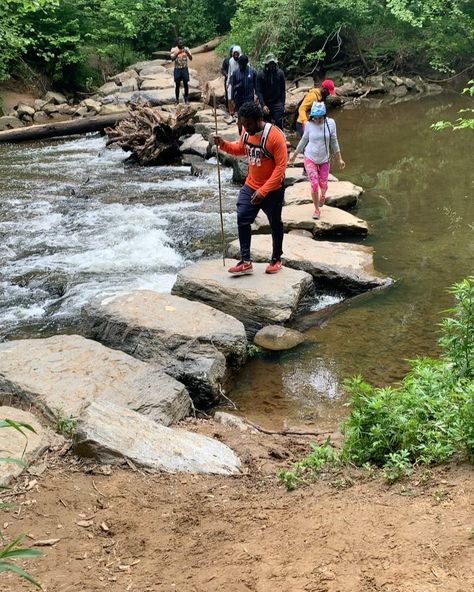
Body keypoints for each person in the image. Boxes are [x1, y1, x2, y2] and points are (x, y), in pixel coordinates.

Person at [213, 101, 288, 275]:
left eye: (248, 124)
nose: (245, 128)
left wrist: (264, 191)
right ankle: (245, 261)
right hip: (251, 184)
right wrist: (223, 144)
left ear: (258, 119)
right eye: (243, 124)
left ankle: (276, 259)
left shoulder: (275, 137)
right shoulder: (247, 133)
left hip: (273, 189)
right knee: (242, 216)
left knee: (275, 222)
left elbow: (281, 168)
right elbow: (240, 149)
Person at [289, 101, 345, 219]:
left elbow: (334, 141)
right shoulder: (309, 124)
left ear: (324, 115)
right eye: (315, 118)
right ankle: (316, 210)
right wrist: (295, 155)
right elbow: (304, 140)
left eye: (320, 118)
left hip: (324, 158)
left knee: (323, 184)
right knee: (314, 183)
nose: (318, 120)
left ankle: (323, 195)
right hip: (310, 157)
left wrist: (339, 159)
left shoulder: (330, 123)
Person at [256, 54, 286, 130]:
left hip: (277, 103)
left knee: (279, 124)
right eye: (270, 63)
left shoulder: (280, 73)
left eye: (273, 63)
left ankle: (281, 139)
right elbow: (259, 91)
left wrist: (282, 105)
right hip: (266, 103)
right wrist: (263, 105)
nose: (272, 65)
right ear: (266, 64)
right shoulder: (260, 75)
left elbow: (283, 90)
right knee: (265, 125)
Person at [170, 38, 192, 104]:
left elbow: (191, 58)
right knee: (177, 85)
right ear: (177, 43)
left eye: (182, 43)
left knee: (186, 84)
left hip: (184, 68)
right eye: (180, 43)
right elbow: (172, 59)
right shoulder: (173, 49)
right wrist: (177, 53)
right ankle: (177, 100)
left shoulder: (186, 49)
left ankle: (186, 99)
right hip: (177, 69)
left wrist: (187, 52)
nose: (181, 44)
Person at [226, 45, 242, 113]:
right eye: (234, 53)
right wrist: (227, 82)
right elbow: (229, 71)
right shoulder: (230, 60)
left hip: (240, 80)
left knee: (238, 98)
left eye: (237, 53)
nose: (235, 55)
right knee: (229, 97)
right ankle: (231, 112)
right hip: (232, 80)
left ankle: (237, 112)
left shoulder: (242, 59)